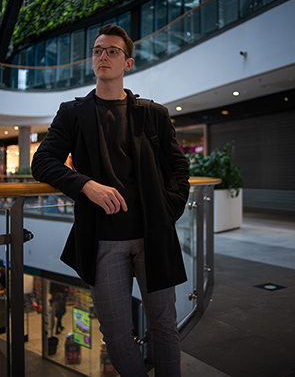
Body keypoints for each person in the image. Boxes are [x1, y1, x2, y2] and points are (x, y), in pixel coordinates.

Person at [31, 24, 190, 376]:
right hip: (103, 241)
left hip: (154, 237)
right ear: (92, 61)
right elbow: (41, 162)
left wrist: (169, 209)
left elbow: (178, 166)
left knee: (164, 325)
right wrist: (86, 185)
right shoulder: (73, 113)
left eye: (112, 51)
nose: (103, 56)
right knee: (116, 334)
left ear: (128, 63)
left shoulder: (152, 113)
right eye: (98, 50)